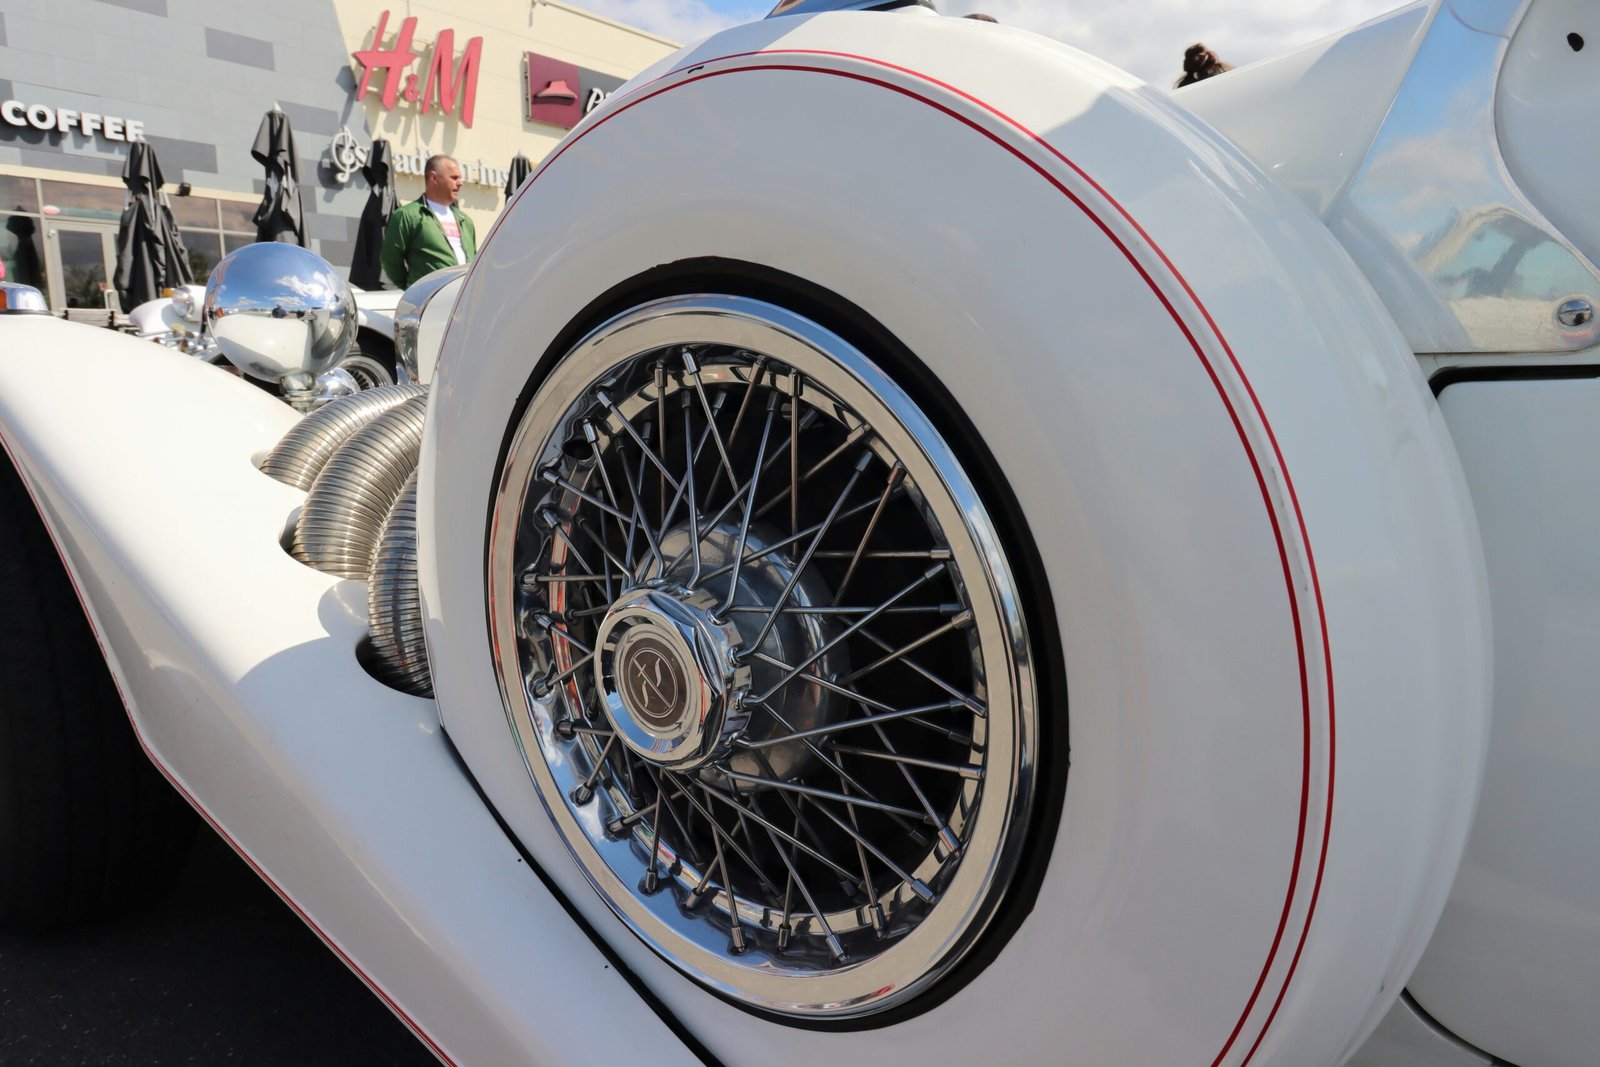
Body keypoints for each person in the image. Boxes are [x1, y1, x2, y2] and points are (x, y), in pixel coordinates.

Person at [380, 154, 477, 289]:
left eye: (460, 178)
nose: (460, 183)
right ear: (433, 178)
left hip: (463, 299)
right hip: (430, 301)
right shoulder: (407, 215)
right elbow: (390, 260)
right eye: (454, 178)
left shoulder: (465, 220)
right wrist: (413, 289)